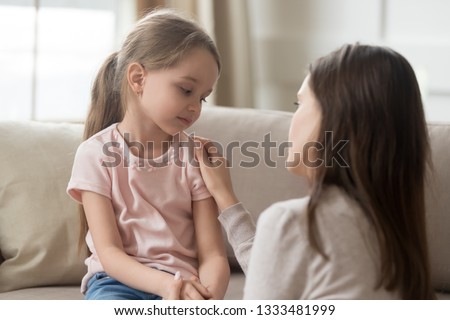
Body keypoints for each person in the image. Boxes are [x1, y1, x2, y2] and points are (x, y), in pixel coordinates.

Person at [187, 43, 436, 299]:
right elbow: (279, 275)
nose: (292, 120)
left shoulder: (293, 222)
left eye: (300, 103)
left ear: (335, 118)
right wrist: (225, 197)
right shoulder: (396, 230)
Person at [67, 9, 229, 300]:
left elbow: (213, 254)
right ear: (138, 78)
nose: (195, 107)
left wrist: (209, 299)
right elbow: (110, 253)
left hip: (185, 284)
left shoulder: (194, 157)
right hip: (115, 283)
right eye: (186, 90)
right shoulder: (94, 154)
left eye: (202, 97)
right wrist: (165, 286)